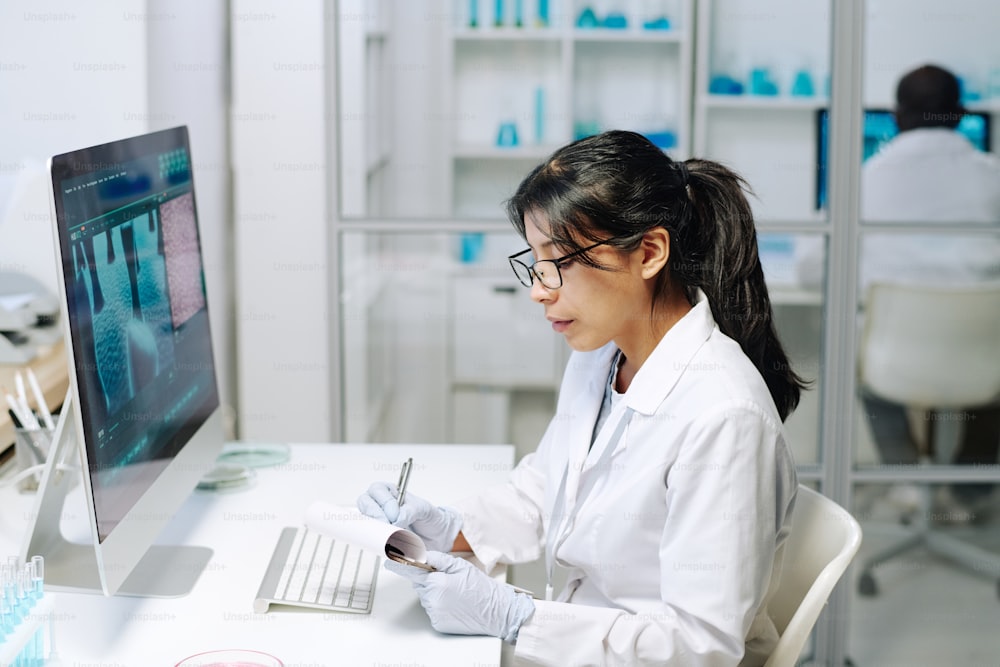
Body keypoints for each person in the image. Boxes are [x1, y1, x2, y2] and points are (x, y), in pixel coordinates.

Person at [359, 130, 808, 665]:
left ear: (649, 253)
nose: (538, 289)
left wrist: (516, 617)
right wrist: (449, 529)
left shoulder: (725, 418)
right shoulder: (601, 358)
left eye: (561, 262)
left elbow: (699, 647)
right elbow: (547, 489)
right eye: (536, 261)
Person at [859, 64, 1000, 516]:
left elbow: (810, 267)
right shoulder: (992, 176)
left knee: (862, 369)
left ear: (897, 115)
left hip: (893, 366)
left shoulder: (865, 178)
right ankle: (968, 492)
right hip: (983, 364)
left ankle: (906, 479)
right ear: (960, 114)